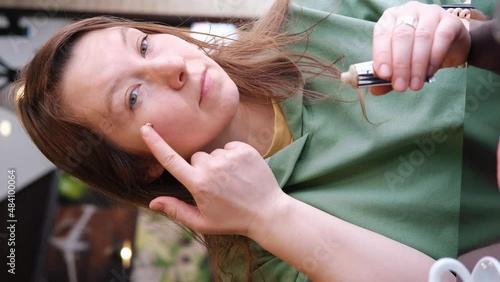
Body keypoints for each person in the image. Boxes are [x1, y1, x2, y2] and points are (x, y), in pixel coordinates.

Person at [12, 0, 473, 281]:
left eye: (144, 44)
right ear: (141, 166)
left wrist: (458, 26)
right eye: (133, 97)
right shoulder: (259, 262)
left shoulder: (314, 15)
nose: (170, 67)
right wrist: (270, 215)